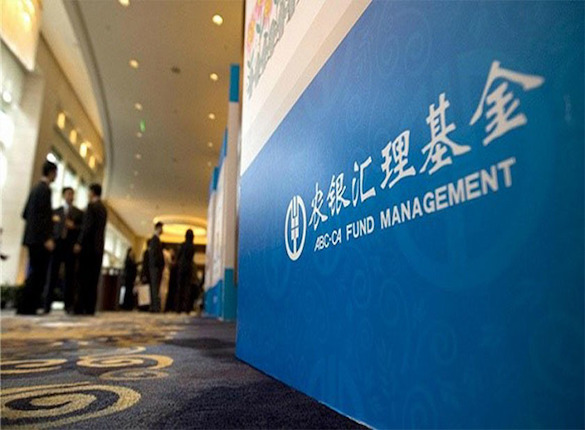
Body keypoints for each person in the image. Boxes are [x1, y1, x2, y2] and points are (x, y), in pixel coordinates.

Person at [17, 161, 57, 315]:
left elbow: (25, 214)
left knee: (33, 272)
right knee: (38, 274)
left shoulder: (34, 189)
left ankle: (24, 306)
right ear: (51, 172)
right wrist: (47, 237)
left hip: (31, 238)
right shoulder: (45, 190)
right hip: (40, 240)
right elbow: (43, 217)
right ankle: (29, 307)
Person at [43, 187, 83, 314]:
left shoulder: (78, 213)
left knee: (70, 276)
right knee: (52, 275)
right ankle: (46, 305)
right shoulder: (56, 212)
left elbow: (82, 229)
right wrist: (49, 239)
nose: (70, 196)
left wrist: (74, 228)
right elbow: (49, 227)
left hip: (70, 247)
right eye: (68, 194)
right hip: (57, 245)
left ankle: (68, 305)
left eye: (72, 194)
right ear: (63, 195)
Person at [74, 183, 107, 315]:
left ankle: (80, 307)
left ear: (92, 192)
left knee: (83, 278)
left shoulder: (91, 206)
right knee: (93, 280)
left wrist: (79, 243)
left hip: (88, 248)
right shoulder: (103, 209)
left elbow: (87, 227)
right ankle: (90, 308)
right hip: (98, 249)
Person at [176, 229, 195, 313]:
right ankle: (187, 308)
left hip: (181, 268)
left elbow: (178, 256)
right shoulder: (192, 246)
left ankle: (178, 308)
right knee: (187, 289)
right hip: (189, 268)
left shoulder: (182, 245)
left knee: (180, 288)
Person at [148, 222, 164, 312]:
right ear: (158, 228)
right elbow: (154, 255)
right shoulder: (154, 239)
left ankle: (154, 306)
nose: (162, 230)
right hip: (155, 267)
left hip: (156, 267)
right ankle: (155, 307)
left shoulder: (156, 239)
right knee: (154, 287)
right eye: (161, 228)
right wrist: (157, 266)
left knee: (155, 287)